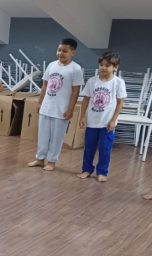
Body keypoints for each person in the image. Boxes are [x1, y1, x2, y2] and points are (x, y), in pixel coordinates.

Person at [27, 38, 84, 171]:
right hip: (47, 106)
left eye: (65, 51)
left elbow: (76, 91)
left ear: (73, 53)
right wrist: (40, 103)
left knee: (56, 137)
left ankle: (52, 161)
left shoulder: (76, 69)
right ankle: (40, 159)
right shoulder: (52, 65)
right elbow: (45, 85)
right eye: (59, 50)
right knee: (42, 135)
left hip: (61, 109)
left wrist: (70, 109)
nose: (60, 53)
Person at [76, 51, 126, 183]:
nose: (103, 67)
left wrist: (114, 120)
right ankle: (86, 169)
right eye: (101, 64)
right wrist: (82, 117)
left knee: (105, 149)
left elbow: (120, 102)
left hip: (107, 124)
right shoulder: (92, 81)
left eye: (107, 65)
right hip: (92, 122)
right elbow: (85, 100)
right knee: (89, 147)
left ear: (115, 67)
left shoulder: (118, 83)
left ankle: (102, 172)